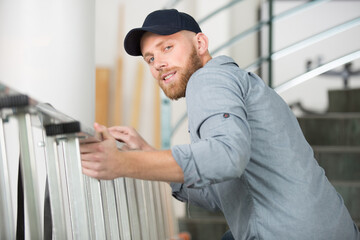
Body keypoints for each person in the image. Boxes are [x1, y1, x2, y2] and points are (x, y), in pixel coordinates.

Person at [80, 9, 359, 240]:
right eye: (150, 58)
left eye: (167, 47)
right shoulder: (235, 83)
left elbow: (226, 157)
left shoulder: (209, 79)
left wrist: (121, 164)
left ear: (200, 44)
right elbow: (221, 192)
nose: (158, 64)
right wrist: (146, 151)